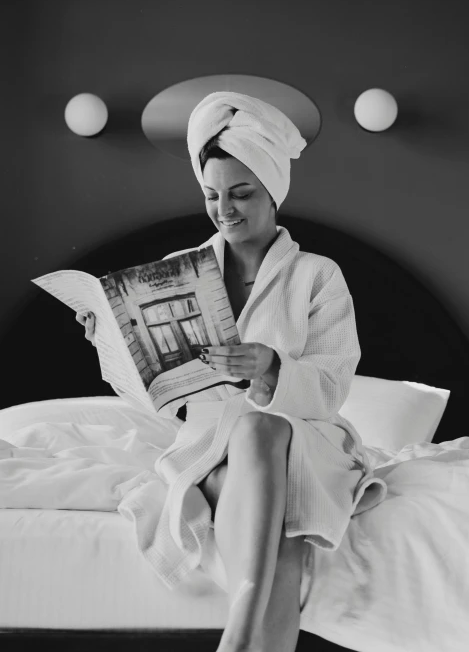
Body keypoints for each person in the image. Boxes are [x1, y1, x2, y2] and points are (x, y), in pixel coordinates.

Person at [76, 91, 387, 652]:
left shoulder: (316, 276)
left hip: (304, 438)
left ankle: (238, 634)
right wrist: (110, 340)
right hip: (211, 448)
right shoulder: (176, 274)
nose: (225, 209)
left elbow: (335, 385)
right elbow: (154, 400)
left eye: (241, 193)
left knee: (261, 428)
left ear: (273, 194)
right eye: (212, 195)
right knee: (286, 526)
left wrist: (272, 368)